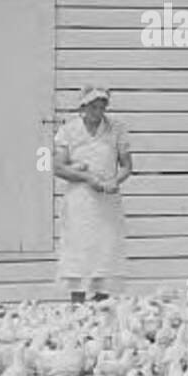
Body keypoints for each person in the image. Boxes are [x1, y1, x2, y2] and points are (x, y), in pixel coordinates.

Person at [53, 86, 132, 303]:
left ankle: (101, 307)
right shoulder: (69, 131)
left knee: (104, 252)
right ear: (83, 107)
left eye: (102, 106)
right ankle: (78, 308)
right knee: (79, 251)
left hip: (107, 202)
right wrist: (87, 178)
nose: (98, 111)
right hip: (80, 201)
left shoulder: (116, 129)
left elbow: (126, 166)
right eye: (93, 106)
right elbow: (58, 167)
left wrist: (114, 181)